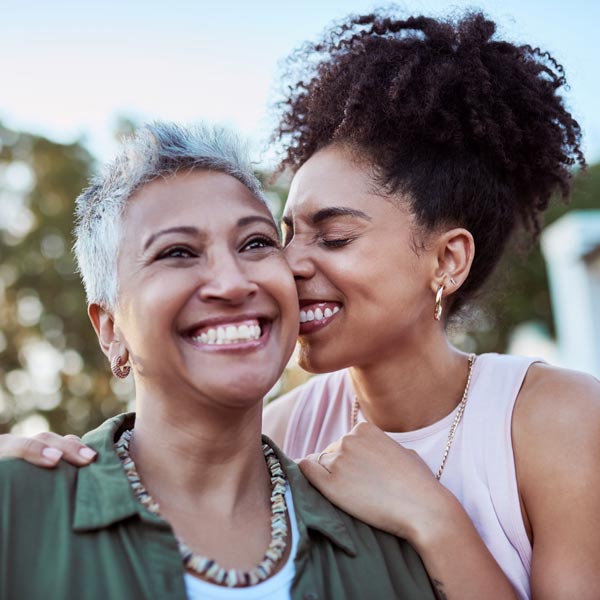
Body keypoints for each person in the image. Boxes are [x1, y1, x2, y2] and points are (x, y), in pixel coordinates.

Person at [3, 9, 600, 600]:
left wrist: (435, 521)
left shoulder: (558, 418)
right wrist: (27, 471)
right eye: (283, 236)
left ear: (446, 261)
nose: (289, 265)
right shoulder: (284, 431)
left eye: (334, 238)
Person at [0, 122, 435, 599]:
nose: (232, 283)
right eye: (178, 252)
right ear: (110, 330)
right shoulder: (17, 507)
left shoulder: (382, 539)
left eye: (255, 244)